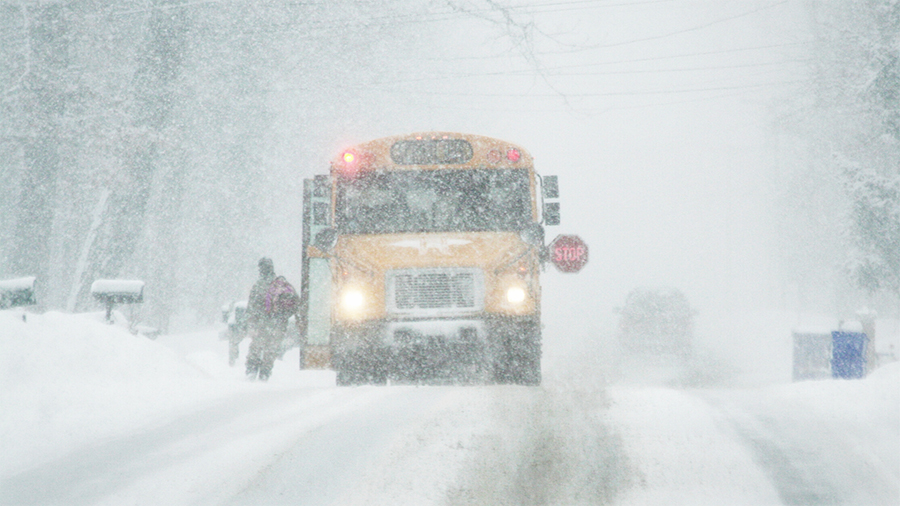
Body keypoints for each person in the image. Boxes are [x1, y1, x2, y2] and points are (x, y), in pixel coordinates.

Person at [245, 257, 299, 381]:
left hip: (261, 323)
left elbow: (251, 307)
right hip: (279, 324)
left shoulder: (258, 285)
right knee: (271, 350)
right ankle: (265, 372)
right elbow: (295, 304)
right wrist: (283, 317)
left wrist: (251, 323)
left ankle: (251, 370)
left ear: (261, 269)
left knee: (256, 347)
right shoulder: (282, 284)